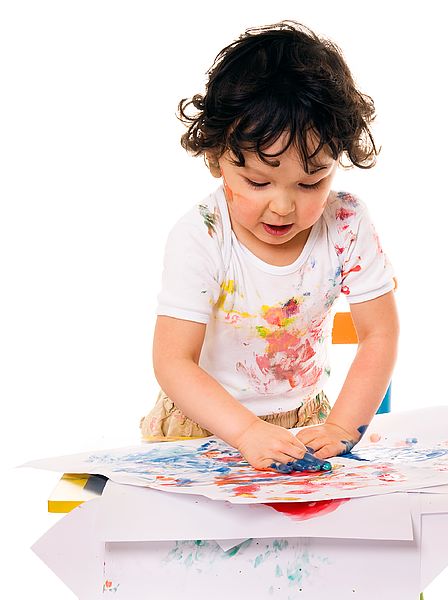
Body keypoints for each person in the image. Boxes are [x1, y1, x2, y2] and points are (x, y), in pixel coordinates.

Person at [139, 21, 398, 472]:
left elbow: (379, 334)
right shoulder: (202, 234)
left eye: (311, 181)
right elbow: (172, 360)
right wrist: (244, 432)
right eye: (258, 181)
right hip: (205, 425)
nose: (283, 206)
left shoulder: (346, 223)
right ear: (217, 157)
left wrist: (341, 428)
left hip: (307, 421)